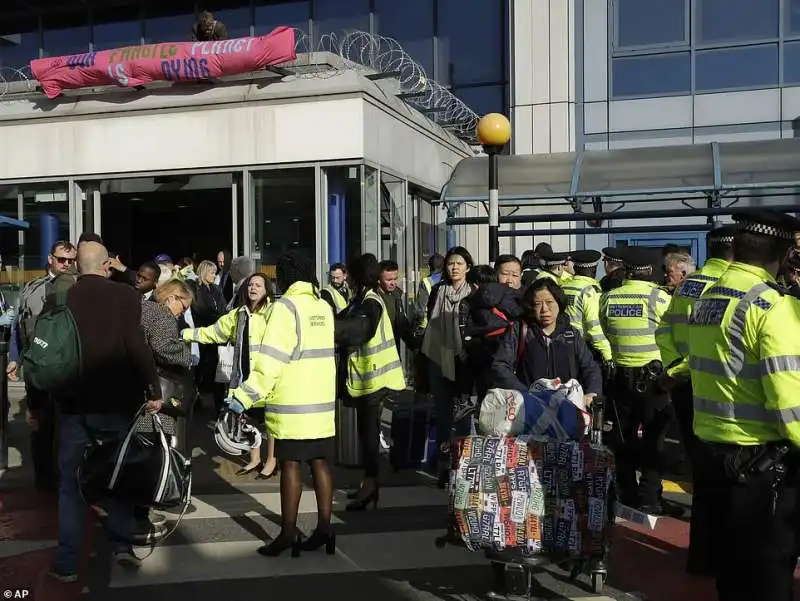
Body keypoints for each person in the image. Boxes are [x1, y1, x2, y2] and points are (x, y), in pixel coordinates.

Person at [688, 210, 800, 601]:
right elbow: (791, 407)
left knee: (732, 578)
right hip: (761, 470)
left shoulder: (707, 298)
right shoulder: (772, 308)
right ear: (785, 255)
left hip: (713, 456)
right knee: (768, 579)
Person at [48, 242, 162, 583]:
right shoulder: (125, 297)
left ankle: (67, 563)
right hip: (117, 402)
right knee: (120, 476)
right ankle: (122, 545)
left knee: (70, 485)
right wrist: (153, 389)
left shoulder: (61, 298)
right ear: (106, 265)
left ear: (77, 266)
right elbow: (136, 345)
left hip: (73, 403)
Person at [224, 253, 337, 558]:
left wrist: (243, 396)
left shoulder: (285, 308)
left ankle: (288, 533)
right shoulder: (323, 305)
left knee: (290, 465)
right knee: (320, 462)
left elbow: (270, 362)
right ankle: (325, 529)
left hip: (293, 404)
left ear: (285, 278)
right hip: (322, 403)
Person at [655, 223, 736, 575]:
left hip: (686, 387)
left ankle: (701, 556)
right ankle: (726, 557)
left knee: (701, 474)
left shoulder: (688, 285)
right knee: (733, 478)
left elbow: (665, 330)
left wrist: (676, 368)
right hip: (724, 389)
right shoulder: (735, 287)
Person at [600, 247, 674, 515]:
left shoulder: (608, 298)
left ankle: (627, 494)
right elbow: (673, 335)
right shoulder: (660, 298)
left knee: (624, 439)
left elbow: (606, 331)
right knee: (655, 440)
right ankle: (650, 498)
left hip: (621, 377)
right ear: (651, 270)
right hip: (654, 381)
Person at [183, 273, 278, 478]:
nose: (253, 288)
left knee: (271, 423)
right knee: (249, 420)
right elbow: (215, 332)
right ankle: (255, 459)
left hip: (267, 377)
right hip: (245, 377)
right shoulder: (238, 314)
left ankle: (271, 461)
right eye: (250, 285)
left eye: (258, 285)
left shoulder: (274, 312)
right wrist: (187, 334)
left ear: (266, 289)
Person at [335, 254, 406, 510]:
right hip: (368, 377)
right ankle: (368, 481)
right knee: (366, 432)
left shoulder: (370, 302)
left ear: (355, 277)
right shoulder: (363, 299)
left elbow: (357, 330)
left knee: (368, 435)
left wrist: (328, 328)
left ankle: (371, 483)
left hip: (373, 378)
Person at [7, 240, 77, 492]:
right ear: (50, 259)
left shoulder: (78, 287)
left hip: (67, 369)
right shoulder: (31, 289)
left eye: (71, 261)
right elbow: (19, 326)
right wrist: (14, 358)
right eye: (62, 260)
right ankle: (44, 481)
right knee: (40, 427)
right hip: (38, 369)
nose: (67, 265)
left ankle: (66, 481)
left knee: (68, 428)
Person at [135, 278, 196, 544]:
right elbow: (165, 349)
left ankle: (141, 505)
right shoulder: (162, 316)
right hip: (160, 391)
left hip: (142, 390)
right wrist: (189, 352)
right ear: (171, 297)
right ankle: (146, 508)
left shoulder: (144, 309)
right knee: (157, 449)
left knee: (144, 447)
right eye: (183, 305)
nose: (184, 311)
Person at [491, 278, 601, 403]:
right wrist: (524, 393)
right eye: (538, 304)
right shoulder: (521, 331)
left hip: (566, 405)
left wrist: (592, 392)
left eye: (549, 302)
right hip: (529, 406)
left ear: (559, 303)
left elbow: (590, 367)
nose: (544, 309)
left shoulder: (570, 334)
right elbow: (500, 365)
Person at [422, 246, 476, 485]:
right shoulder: (437, 291)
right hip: (438, 357)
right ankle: (445, 466)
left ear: (468, 268)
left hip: (464, 360)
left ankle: (462, 465)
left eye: (459, 264)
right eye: (451, 263)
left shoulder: (474, 294)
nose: (454, 267)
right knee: (443, 415)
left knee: (464, 414)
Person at [561, 249, 612, 363]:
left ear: (574, 268)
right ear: (594, 270)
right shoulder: (589, 291)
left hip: (562, 344)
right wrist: (608, 355)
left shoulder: (564, 287)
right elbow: (594, 328)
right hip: (582, 348)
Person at [415, 253, 444, 329]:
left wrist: (419, 322)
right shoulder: (448, 280)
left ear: (429, 266)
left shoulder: (426, 282)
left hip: (428, 325)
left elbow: (421, 308)